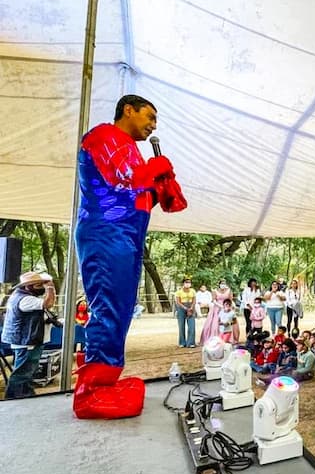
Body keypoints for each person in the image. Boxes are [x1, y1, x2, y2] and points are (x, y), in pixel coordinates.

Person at [73, 94, 185, 419]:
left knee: (120, 310)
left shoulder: (132, 152)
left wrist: (162, 189)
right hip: (105, 233)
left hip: (126, 238)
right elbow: (121, 180)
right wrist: (151, 172)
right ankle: (90, 393)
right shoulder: (103, 136)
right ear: (128, 110)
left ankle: (106, 380)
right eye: (149, 117)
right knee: (107, 306)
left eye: (156, 122)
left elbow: (137, 199)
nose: (152, 126)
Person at [1, 271, 56, 399]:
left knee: (25, 372)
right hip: (27, 341)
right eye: (39, 285)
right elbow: (48, 303)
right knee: (22, 374)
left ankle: (24, 395)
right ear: (28, 286)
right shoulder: (26, 299)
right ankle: (15, 398)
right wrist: (50, 288)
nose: (42, 287)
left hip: (26, 340)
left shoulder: (18, 296)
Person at [200, 279, 235, 344]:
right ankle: (214, 338)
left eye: (224, 283)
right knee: (215, 323)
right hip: (217, 308)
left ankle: (227, 338)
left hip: (227, 307)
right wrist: (220, 306)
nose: (223, 285)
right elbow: (213, 300)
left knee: (227, 322)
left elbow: (230, 300)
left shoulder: (229, 291)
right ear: (219, 284)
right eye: (222, 283)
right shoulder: (215, 291)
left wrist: (230, 307)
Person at [174, 276, 196, 348]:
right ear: (183, 283)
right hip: (181, 307)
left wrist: (191, 308)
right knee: (181, 325)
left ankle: (191, 342)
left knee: (191, 325)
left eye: (189, 282)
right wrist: (185, 308)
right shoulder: (179, 292)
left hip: (191, 306)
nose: (188, 284)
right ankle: (182, 342)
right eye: (186, 282)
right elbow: (178, 302)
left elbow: (194, 300)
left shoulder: (193, 291)